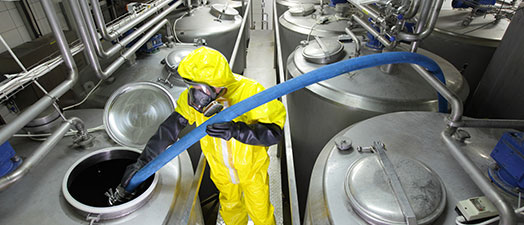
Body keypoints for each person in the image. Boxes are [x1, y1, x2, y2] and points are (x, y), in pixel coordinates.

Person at [117, 47, 286, 225]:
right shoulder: (191, 100)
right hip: (221, 171)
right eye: (191, 86)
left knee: (260, 209)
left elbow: (274, 133)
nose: (195, 94)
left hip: (251, 170)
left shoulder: (251, 92)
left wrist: (237, 130)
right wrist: (143, 162)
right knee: (230, 206)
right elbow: (168, 130)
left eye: (199, 88)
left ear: (217, 83)